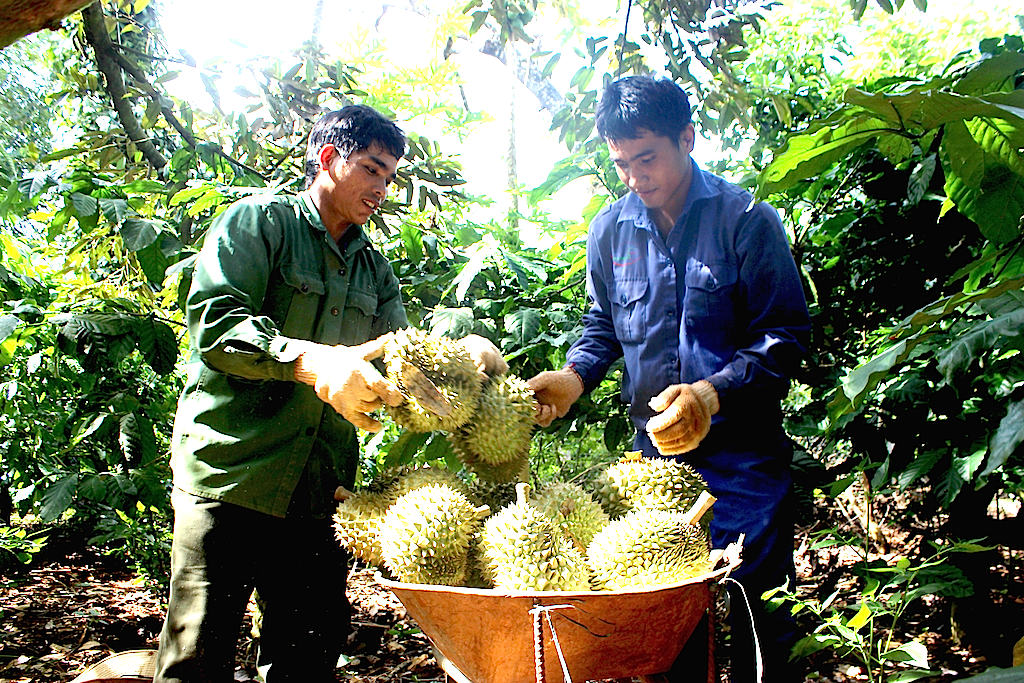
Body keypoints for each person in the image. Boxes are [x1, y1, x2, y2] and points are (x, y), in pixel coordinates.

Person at [153, 104, 505, 682]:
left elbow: (403, 356)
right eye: (371, 169)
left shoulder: (376, 270)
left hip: (320, 491)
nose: (382, 188)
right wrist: (311, 363)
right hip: (232, 474)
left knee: (307, 656)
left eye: (390, 176)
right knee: (198, 654)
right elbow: (216, 326)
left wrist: (466, 359)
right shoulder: (258, 223)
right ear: (328, 159)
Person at [527, 76, 810, 682]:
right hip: (652, 461)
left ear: (686, 138)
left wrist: (710, 393)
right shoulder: (609, 230)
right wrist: (575, 377)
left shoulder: (747, 220)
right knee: (663, 616)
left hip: (744, 456)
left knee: (761, 609)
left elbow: (784, 336)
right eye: (622, 163)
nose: (635, 176)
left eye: (647, 157)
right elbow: (602, 324)